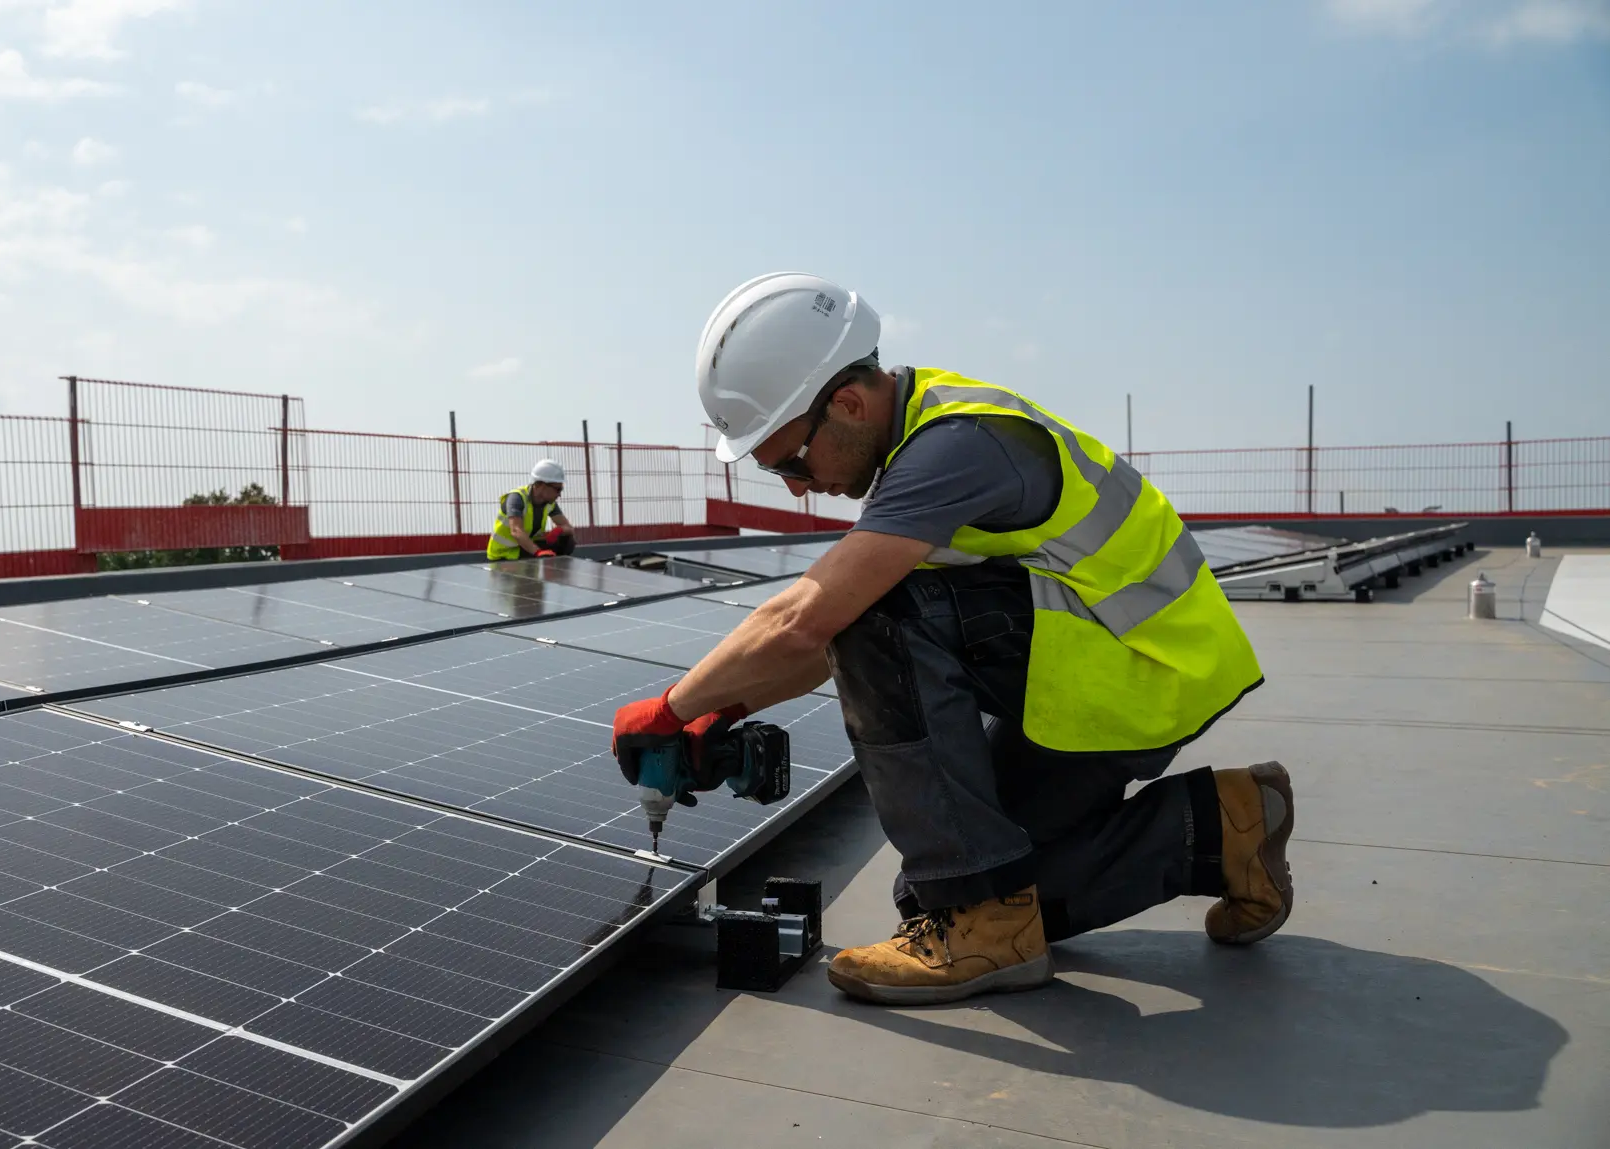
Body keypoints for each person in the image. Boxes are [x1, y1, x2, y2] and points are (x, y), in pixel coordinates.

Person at [611, 273, 1292, 1006]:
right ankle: (1226, 824)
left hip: (1134, 666)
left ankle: (981, 923)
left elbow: (809, 620)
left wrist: (672, 708)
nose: (796, 490)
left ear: (846, 403)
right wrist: (727, 706)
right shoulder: (923, 432)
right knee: (956, 888)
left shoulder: (955, 447)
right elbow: (813, 648)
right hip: (1115, 670)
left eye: (790, 463)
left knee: (965, 881)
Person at [488, 459, 575, 561]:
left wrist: (559, 530)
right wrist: (538, 552)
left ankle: (556, 569)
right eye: (557, 489)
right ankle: (545, 562)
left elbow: (569, 528)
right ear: (540, 485)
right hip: (504, 554)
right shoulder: (517, 498)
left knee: (567, 540)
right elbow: (516, 531)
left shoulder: (549, 503)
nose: (559, 494)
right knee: (538, 551)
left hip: (524, 549)